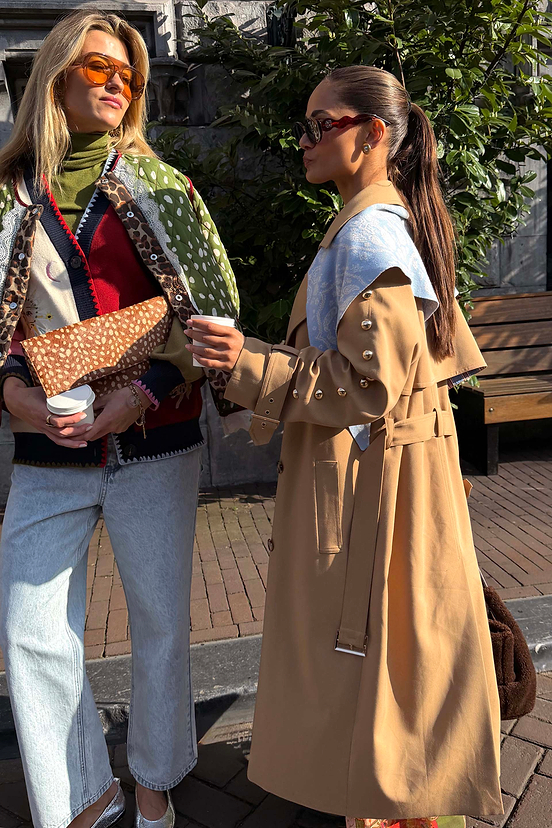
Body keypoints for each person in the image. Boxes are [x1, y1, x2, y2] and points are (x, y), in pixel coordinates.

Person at [185, 66, 503, 828]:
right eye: (304, 125)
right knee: (400, 660)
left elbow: (371, 385)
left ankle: (396, 806)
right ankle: (397, 800)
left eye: (319, 124)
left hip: (370, 490)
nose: (304, 141)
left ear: (374, 134)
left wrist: (245, 364)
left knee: (377, 660)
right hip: (386, 482)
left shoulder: (368, 234)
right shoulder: (382, 223)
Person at [0, 9, 238, 828]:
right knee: (30, 630)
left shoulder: (164, 185)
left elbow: (215, 314)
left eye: (128, 76)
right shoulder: (7, 194)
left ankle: (152, 780)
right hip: (47, 443)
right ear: (57, 76)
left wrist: (140, 394)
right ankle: (83, 793)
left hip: (153, 435)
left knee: (162, 621)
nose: (115, 84)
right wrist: (13, 395)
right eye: (97, 68)